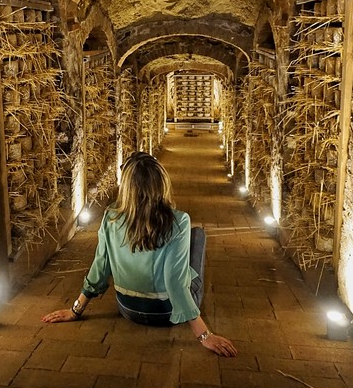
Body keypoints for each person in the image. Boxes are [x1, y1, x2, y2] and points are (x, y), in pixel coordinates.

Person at [41, 151, 237, 357]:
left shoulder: (111, 217)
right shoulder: (178, 221)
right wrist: (204, 335)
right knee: (197, 236)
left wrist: (75, 310)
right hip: (166, 314)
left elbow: (100, 266)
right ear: (161, 183)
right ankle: (190, 308)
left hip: (128, 309)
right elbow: (175, 282)